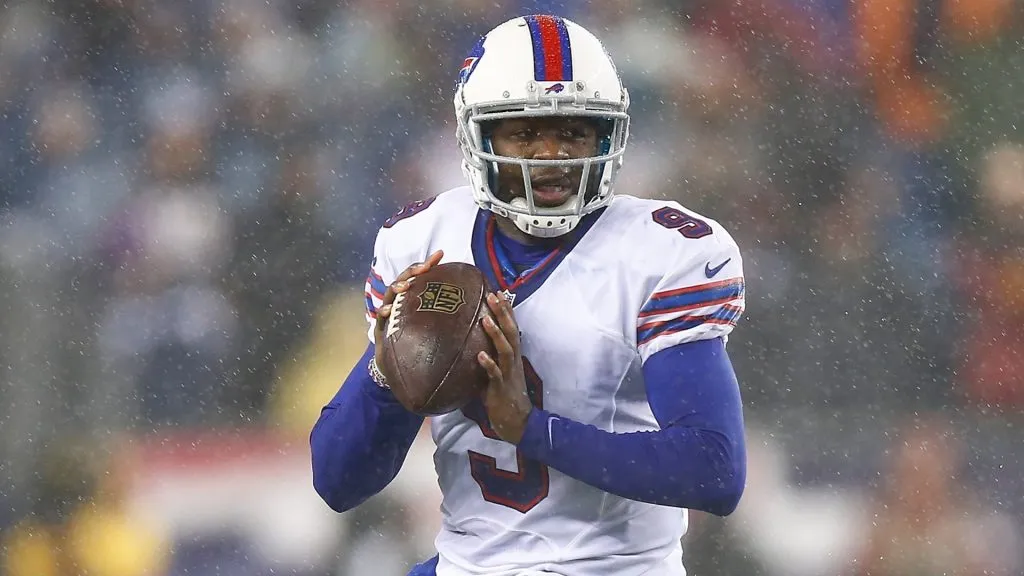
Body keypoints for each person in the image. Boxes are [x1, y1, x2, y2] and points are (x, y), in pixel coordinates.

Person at [310, 14, 747, 576]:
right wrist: (388, 368)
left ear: (607, 136)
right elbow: (337, 481)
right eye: (525, 130)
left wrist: (532, 429)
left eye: (572, 132)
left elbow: (714, 470)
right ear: (479, 136)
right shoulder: (422, 242)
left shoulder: (661, 255)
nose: (550, 154)